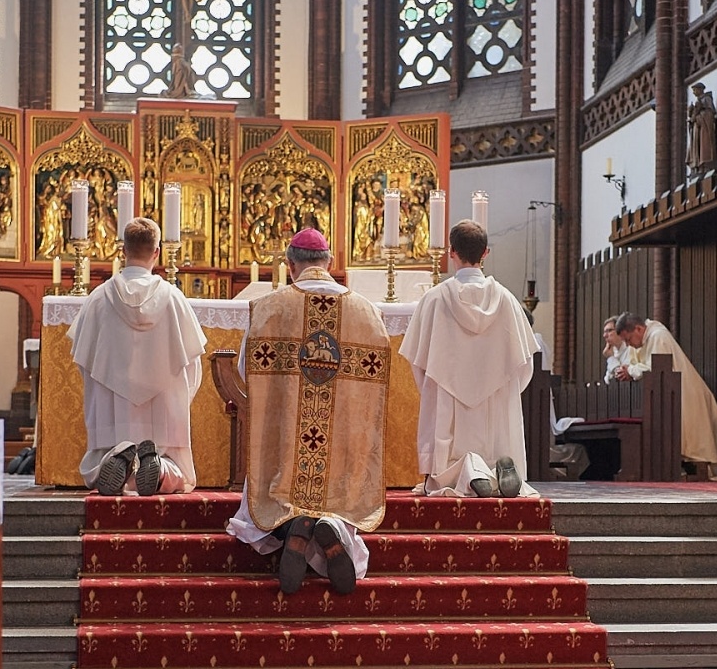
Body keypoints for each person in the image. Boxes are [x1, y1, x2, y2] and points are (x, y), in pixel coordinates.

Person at [226, 227, 390, 596]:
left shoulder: (269, 307)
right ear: (330, 262)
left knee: (267, 503)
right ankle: (331, 525)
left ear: (290, 264)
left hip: (285, 441)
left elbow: (244, 370)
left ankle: (292, 526)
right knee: (338, 491)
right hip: (341, 441)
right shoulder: (367, 312)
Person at [68, 216, 206, 495]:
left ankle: (114, 459)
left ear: (123, 250)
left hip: (113, 406)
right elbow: (192, 365)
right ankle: (159, 467)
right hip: (163, 410)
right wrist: (179, 397)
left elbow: (85, 363)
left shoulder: (98, 297)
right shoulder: (173, 297)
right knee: (174, 465)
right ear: (156, 252)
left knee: (107, 450)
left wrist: (107, 385)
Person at [400, 219, 537, 498]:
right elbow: (524, 365)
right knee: (497, 443)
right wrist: (501, 386)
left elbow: (418, 361)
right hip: (494, 403)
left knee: (448, 453)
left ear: (451, 252)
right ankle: (496, 472)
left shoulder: (435, 299)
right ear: (486, 253)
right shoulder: (508, 300)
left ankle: (466, 474)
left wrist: (437, 386)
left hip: (448, 400)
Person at [604, 312, 717, 479]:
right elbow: (641, 365)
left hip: (686, 395)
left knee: (707, 447)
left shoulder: (659, 337)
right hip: (672, 395)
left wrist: (631, 370)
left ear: (638, 329)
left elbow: (657, 367)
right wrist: (628, 369)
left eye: (628, 340)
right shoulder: (645, 340)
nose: (629, 345)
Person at [686, 83, 717, 176]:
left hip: (703, 129)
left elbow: (710, 114)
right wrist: (691, 113)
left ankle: (705, 166)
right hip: (697, 129)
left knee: (704, 148)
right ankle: (697, 167)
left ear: (701, 89)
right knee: (696, 148)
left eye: (695, 90)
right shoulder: (698, 101)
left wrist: (699, 117)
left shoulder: (707, 99)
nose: (693, 92)